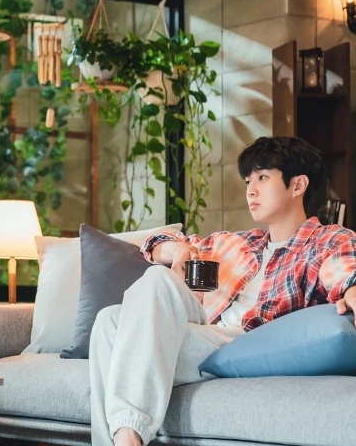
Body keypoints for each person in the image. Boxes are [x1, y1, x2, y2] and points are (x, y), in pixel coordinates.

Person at [90, 136, 356, 446]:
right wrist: (176, 251)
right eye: (248, 181)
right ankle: (125, 438)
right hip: (207, 334)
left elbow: (344, 271)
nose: (250, 190)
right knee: (109, 320)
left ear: (298, 185)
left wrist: (352, 290)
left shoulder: (327, 239)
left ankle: (127, 438)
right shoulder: (236, 243)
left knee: (152, 286)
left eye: (262, 177)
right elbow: (152, 245)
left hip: (248, 345)